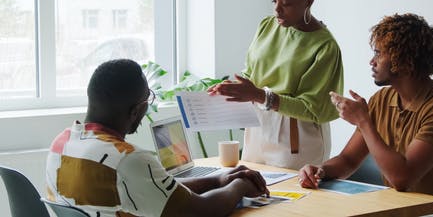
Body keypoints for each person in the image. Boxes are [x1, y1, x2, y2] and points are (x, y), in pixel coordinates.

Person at [298, 13, 433, 217]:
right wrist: (320, 170)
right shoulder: (381, 99)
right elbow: (348, 160)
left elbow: (402, 179)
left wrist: (363, 121)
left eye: (378, 54)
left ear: (403, 58)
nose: (371, 62)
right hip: (399, 207)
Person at [45, 59, 268, 217]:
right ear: (136, 110)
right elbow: (202, 210)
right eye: (148, 99)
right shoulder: (128, 160)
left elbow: (155, 188)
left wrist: (217, 180)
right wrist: (239, 185)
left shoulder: (62, 144)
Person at [208, 0, 343, 170]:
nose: (277, 10)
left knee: (297, 202)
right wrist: (234, 88)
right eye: (274, 1)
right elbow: (251, 74)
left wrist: (261, 96)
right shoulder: (267, 27)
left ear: (308, 1)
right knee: (254, 196)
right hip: (257, 128)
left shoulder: (325, 47)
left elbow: (313, 109)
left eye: (287, 3)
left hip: (297, 137)